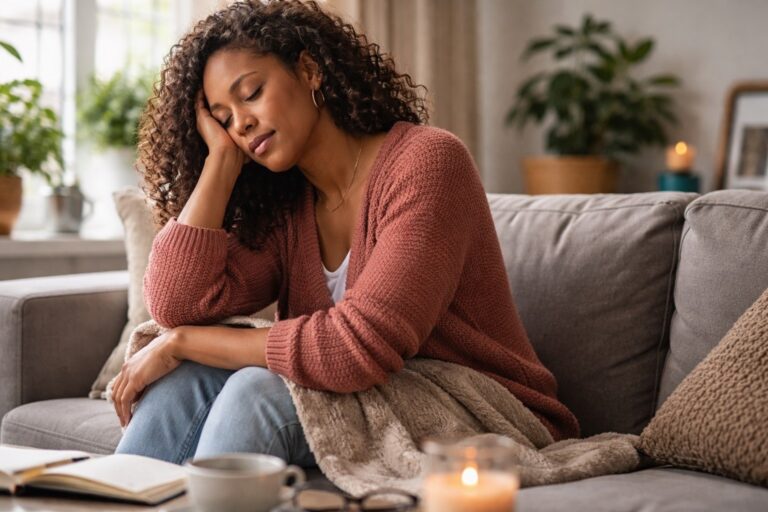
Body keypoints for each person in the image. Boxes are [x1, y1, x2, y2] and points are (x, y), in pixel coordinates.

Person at [113, 0, 579, 466]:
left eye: (251, 93)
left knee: (256, 390)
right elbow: (178, 305)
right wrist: (221, 162)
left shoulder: (429, 162)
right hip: (380, 395)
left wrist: (179, 343)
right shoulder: (287, 205)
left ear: (310, 70)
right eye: (224, 118)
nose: (242, 124)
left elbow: (355, 348)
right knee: (185, 379)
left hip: (481, 407)